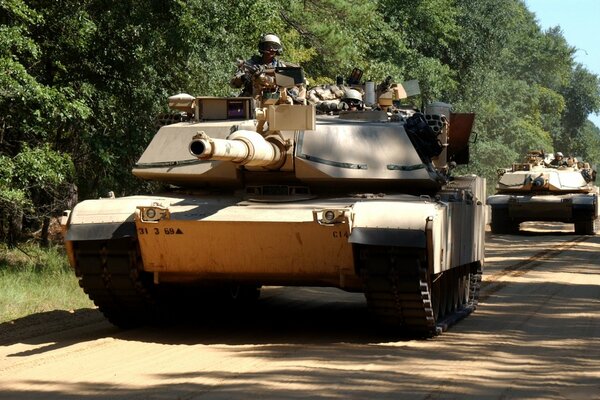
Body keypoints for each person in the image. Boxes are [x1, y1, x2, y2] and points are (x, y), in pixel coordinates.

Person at [230, 34, 287, 98]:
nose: (271, 49)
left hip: (276, 98)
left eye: (274, 47)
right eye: (267, 46)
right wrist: (242, 78)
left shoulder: (281, 66)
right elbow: (233, 83)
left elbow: (288, 85)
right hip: (251, 97)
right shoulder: (251, 64)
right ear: (262, 48)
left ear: (278, 49)